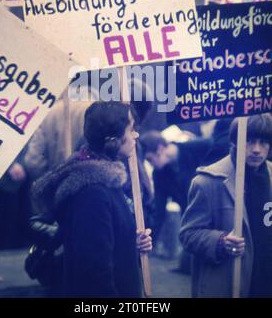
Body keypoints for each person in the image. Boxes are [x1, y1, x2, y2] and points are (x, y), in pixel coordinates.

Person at [32, 101, 152, 297]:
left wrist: (132, 243)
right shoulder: (92, 194)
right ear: (114, 139)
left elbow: (107, 243)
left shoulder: (106, 181)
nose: (135, 135)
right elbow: (95, 272)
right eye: (131, 129)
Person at [179, 114, 272, 298]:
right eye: (249, 141)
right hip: (229, 284)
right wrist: (221, 241)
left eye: (263, 142)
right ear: (235, 142)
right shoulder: (208, 182)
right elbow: (188, 234)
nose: (256, 150)